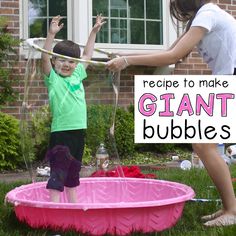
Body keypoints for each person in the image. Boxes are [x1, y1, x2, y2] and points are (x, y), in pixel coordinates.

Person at [106, 0, 236, 227]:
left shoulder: (207, 13)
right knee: (203, 144)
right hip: (227, 80)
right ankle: (229, 207)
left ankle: (232, 210)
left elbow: (173, 56)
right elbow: (170, 52)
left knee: (204, 144)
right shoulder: (201, 18)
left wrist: (127, 61)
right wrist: (122, 56)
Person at [42, 15, 105, 203]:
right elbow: (44, 57)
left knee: (73, 173)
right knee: (58, 173)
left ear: (75, 64)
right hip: (61, 133)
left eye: (71, 61)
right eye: (61, 60)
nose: (67, 64)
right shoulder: (52, 79)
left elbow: (87, 54)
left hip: (79, 132)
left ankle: (73, 208)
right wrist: (51, 34)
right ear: (54, 61)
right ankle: (54, 209)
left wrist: (93, 32)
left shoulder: (77, 74)